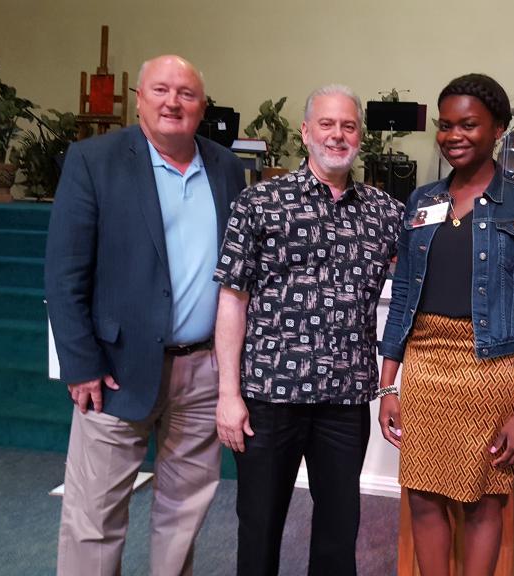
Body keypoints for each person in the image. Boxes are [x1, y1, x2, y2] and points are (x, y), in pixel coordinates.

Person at [45, 55, 246, 576]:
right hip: (115, 368)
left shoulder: (226, 167)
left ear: (203, 106)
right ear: (138, 99)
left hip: (201, 370)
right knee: (94, 514)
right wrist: (80, 364)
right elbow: (64, 273)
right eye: (160, 90)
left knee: (184, 511)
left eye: (186, 93)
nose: (172, 102)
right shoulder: (95, 160)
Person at [213, 84, 403, 576]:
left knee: (340, 530)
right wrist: (227, 394)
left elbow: (419, 282)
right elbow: (232, 300)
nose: (338, 135)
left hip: (344, 399)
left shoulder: (385, 212)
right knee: (259, 526)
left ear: (360, 136)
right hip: (270, 394)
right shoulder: (259, 202)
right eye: (327, 124)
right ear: (305, 132)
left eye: (348, 126)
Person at [377, 73, 514, 576]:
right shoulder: (422, 201)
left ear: (498, 128)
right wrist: (387, 387)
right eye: (446, 125)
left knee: (482, 501)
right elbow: (404, 294)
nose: (453, 136)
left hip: (490, 366)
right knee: (423, 496)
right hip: (426, 363)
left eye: (468, 125)